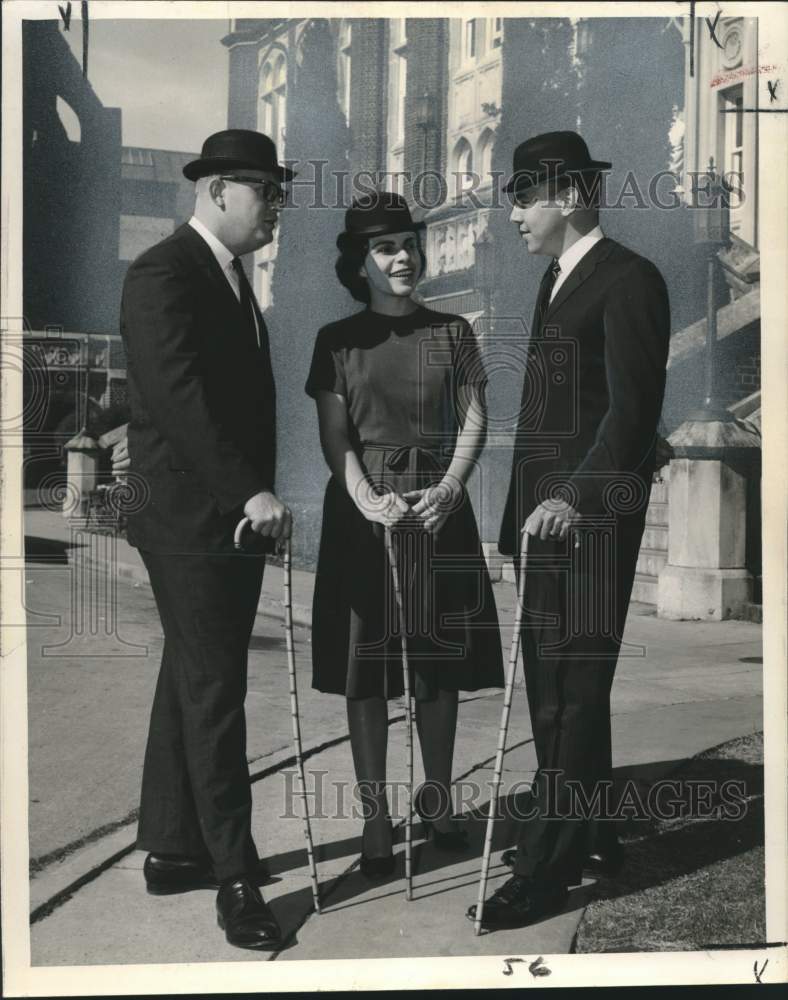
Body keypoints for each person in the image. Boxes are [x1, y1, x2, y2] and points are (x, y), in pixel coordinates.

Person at [468, 132, 671, 928]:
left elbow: (630, 414)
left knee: (569, 699)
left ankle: (547, 873)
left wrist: (576, 498)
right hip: (543, 525)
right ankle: (589, 831)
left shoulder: (631, 280)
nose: (512, 211)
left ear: (572, 196)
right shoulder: (556, 279)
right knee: (559, 690)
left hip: (587, 524)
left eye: (523, 195)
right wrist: (522, 514)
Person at [120, 130, 293, 950]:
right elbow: (180, 399)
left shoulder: (228, 280)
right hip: (191, 520)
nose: (276, 208)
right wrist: (250, 490)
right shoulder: (164, 273)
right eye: (267, 191)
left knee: (188, 679)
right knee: (215, 688)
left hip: (221, 518)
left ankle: (174, 848)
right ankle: (234, 877)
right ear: (220, 189)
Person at [305, 192, 504, 875]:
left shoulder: (454, 331)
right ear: (360, 263)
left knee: (436, 663)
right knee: (369, 673)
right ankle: (373, 820)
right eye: (387, 248)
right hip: (363, 517)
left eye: (409, 245)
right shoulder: (337, 341)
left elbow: (475, 416)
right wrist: (365, 498)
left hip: (438, 509)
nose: (403, 257)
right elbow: (336, 436)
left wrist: (450, 488)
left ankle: (438, 800)